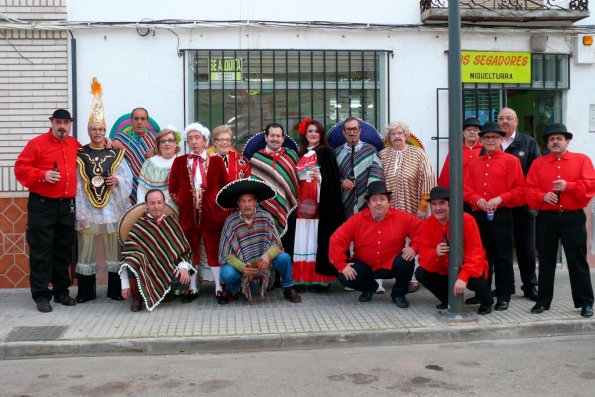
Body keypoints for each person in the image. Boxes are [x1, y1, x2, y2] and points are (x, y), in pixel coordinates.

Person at [525, 123, 595, 317]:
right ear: (547, 143)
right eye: (551, 139)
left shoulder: (582, 160)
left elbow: (590, 185)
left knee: (577, 261)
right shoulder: (538, 164)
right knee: (546, 261)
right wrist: (542, 197)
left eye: (559, 138)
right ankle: (543, 302)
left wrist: (569, 186)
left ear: (567, 141)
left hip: (572, 217)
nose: (555, 142)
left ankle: (585, 303)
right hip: (547, 218)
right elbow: (528, 189)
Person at [14, 109, 80, 312]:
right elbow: (20, 168)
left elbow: (91, 158)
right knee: (41, 252)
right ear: (52, 123)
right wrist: (43, 175)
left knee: (62, 252)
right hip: (42, 205)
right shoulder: (37, 144)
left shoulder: (74, 145)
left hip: (66, 206)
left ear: (70, 125)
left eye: (66, 123)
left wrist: (107, 141)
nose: (62, 126)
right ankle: (42, 296)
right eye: (58, 122)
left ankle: (61, 292)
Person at [75, 80, 133, 303]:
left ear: (105, 131)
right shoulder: (79, 153)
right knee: (85, 249)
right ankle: (85, 293)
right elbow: (79, 183)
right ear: (88, 131)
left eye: (100, 129)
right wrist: (80, 208)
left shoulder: (115, 153)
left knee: (114, 251)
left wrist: (116, 180)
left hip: (110, 209)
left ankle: (115, 290)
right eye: (93, 129)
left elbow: (126, 177)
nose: (97, 132)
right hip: (88, 208)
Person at [463, 122, 526, 311]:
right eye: (487, 137)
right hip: (479, 214)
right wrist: (476, 199)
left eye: (495, 137)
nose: (490, 140)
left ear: (501, 139)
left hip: (501, 214)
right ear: (481, 140)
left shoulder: (511, 161)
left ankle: (503, 294)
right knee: (481, 255)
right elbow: (466, 188)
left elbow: (520, 189)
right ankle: (483, 293)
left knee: (503, 256)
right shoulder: (474, 163)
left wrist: (500, 198)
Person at [329, 181, 421, 308]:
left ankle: (398, 294)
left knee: (407, 260)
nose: (378, 203)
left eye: (382, 199)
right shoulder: (357, 219)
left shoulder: (402, 217)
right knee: (343, 276)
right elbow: (337, 239)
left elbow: (421, 231)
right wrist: (341, 265)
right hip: (365, 265)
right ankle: (369, 288)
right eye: (374, 200)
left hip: (392, 264)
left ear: (389, 202)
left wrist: (414, 247)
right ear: (368, 204)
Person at [169, 122, 229, 303]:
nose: (193, 142)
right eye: (190, 139)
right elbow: (172, 189)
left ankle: (219, 287)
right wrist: (184, 200)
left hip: (212, 214)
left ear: (205, 140)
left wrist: (211, 202)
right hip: (188, 214)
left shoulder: (217, 161)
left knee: (213, 250)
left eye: (197, 138)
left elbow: (224, 187)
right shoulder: (179, 161)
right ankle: (192, 288)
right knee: (191, 250)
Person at [217, 178, 302, 303]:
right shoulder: (231, 222)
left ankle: (288, 288)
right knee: (226, 273)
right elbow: (224, 254)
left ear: (255, 202)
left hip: (265, 263)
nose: (247, 205)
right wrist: (242, 267)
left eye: (250, 200)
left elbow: (277, 244)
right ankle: (235, 289)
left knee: (284, 258)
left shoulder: (266, 217)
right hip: (243, 265)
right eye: (243, 201)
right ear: (238, 204)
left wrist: (268, 255)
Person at [415, 187, 493, 315]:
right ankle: (448, 299)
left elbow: (475, 254)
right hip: (443, 268)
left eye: (441, 203)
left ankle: (487, 301)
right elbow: (423, 256)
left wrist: (463, 277)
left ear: (449, 204)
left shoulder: (467, 220)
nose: (437, 208)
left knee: (476, 280)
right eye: (433, 204)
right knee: (421, 273)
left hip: (466, 267)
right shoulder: (427, 224)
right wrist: (435, 253)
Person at [292, 118, 345, 292]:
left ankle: (320, 279)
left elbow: (333, 181)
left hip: (320, 204)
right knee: (304, 240)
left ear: (321, 135)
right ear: (305, 135)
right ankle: (302, 278)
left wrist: (320, 178)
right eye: (310, 131)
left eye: (316, 131)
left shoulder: (325, 152)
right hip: (303, 204)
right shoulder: (302, 155)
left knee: (317, 240)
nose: (313, 134)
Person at [119, 189, 195, 312]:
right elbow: (126, 257)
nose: (156, 206)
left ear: (164, 204)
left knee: (183, 279)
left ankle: (165, 292)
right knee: (132, 260)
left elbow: (184, 250)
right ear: (147, 205)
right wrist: (124, 286)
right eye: (152, 203)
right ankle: (137, 298)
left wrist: (183, 267)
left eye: (159, 202)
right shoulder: (139, 226)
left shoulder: (172, 223)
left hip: (167, 269)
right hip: (146, 270)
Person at [497, 107, 541, 301]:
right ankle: (505, 287)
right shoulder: (492, 143)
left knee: (526, 249)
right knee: (501, 249)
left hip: (523, 206)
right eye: (501, 118)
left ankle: (530, 286)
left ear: (516, 121)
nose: (505, 121)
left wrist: (533, 200)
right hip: (499, 206)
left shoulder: (528, 142)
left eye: (509, 118)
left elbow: (537, 173)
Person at [248, 123, 300, 255]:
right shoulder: (256, 158)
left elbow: (299, 179)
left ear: (283, 139)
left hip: (289, 207)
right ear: (266, 137)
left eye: (278, 136)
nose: (275, 139)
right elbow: (254, 185)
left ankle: (288, 273)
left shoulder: (292, 155)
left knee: (290, 243)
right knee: (268, 242)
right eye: (272, 135)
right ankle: (270, 275)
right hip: (265, 209)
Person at [379, 121, 435, 219]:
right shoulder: (382, 155)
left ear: (406, 135)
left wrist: (423, 206)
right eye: (392, 134)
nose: (396, 136)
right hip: (388, 210)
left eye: (400, 133)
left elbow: (428, 178)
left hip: (414, 208)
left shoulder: (418, 153)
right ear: (389, 137)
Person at [335, 117, 384, 219]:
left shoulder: (370, 151)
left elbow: (376, 177)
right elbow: (332, 177)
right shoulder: (337, 153)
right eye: (348, 129)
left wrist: (369, 197)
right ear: (344, 132)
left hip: (367, 204)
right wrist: (342, 183)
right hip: (344, 204)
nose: (352, 132)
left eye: (355, 129)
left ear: (360, 131)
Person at [111, 107, 157, 205]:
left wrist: (157, 153)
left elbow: (169, 158)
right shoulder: (121, 138)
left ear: (147, 121)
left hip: (152, 187)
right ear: (131, 121)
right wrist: (110, 142)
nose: (139, 122)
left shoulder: (156, 139)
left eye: (142, 119)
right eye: (136, 119)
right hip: (129, 189)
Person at [137, 127, 179, 209]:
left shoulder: (182, 163)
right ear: (158, 145)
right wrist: (143, 208)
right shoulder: (150, 163)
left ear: (175, 144)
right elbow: (142, 190)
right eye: (163, 141)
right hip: (152, 211)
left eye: (170, 140)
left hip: (176, 211)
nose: (167, 143)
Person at [437, 117, 483, 191]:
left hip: (479, 194)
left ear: (479, 133)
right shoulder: (456, 150)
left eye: (475, 129)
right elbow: (446, 174)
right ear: (463, 133)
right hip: (459, 193)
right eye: (469, 129)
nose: (472, 132)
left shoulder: (485, 150)